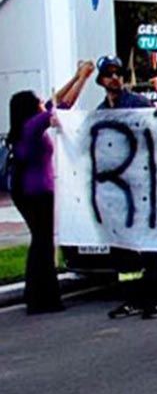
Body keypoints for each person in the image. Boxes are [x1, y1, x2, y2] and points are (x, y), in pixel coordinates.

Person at [6, 61, 94, 313]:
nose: (41, 103)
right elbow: (62, 105)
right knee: (43, 244)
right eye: (37, 101)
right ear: (29, 108)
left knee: (40, 242)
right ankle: (43, 298)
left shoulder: (25, 126)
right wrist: (84, 78)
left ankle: (37, 296)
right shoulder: (32, 126)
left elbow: (52, 102)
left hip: (28, 190)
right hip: (37, 192)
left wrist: (76, 76)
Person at [93, 56, 157, 319]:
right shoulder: (100, 111)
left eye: (119, 73)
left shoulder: (139, 105)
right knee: (123, 246)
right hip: (116, 188)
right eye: (109, 74)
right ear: (101, 80)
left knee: (149, 243)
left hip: (141, 182)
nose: (115, 78)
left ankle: (156, 299)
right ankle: (132, 297)